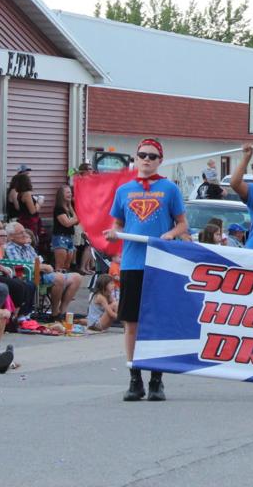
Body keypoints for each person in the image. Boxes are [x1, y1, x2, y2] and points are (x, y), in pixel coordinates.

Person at [106, 138, 187, 402]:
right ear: (136, 157)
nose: (147, 160)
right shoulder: (124, 190)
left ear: (160, 160)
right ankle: (134, 377)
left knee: (158, 322)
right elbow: (117, 222)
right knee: (132, 322)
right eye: (143, 155)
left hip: (161, 263)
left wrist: (170, 234)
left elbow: (182, 224)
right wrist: (113, 234)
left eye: (153, 156)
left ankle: (157, 379)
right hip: (132, 263)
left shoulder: (169, 189)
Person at [4, 222, 82, 316]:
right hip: (30, 277)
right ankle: (55, 313)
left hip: (40, 274)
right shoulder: (10, 248)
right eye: (21, 233)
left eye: (24, 231)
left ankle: (63, 311)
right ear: (11, 236)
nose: (25, 234)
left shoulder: (27, 247)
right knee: (59, 278)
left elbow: (38, 261)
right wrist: (44, 267)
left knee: (77, 277)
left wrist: (44, 267)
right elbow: (20, 266)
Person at [52, 184, 79, 274]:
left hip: (69, 237)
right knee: (60, 266)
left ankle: (65, 285)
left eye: (70, 192)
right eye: (67, 192)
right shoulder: (59, 208)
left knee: (67, 266)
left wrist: (71, 207)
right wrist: (74, 220)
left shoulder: (68, 208)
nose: (70, 194)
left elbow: (77, 220)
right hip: (60, 238)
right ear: (61, 195)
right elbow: (67, 223)